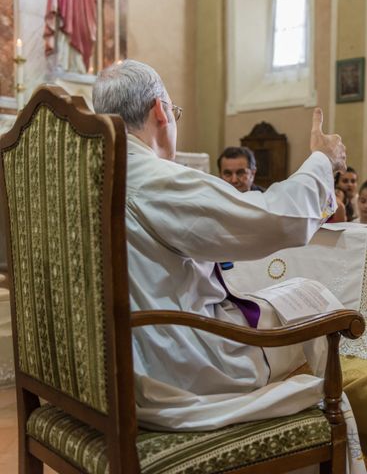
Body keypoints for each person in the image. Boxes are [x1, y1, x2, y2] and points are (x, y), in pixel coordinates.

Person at [92, 60, 349, 433]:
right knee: (316, 301)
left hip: (107, 367)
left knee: (280, 300)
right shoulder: (151, 178)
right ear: (160, 111)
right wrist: (322, 162)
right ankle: (327, 435)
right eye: (174, 111)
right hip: (177, 369)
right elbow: (274, 219)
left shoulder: (88, 171)